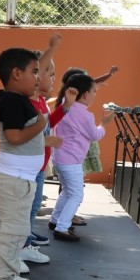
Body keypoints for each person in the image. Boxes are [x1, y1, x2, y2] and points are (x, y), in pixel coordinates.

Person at [0, 47, 46, 280]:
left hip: (17, 178)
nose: (38, 77)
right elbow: (13, 137)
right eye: (34, 71)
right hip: (15, 180)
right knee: (14, 232)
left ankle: (4, 274)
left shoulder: (16, 99)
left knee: (9, 230)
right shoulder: (11, 101)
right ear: (16, 73)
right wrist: (40, 125)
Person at [19, 33, 75, 264]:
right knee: (26, 208)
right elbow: (24, 137)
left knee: (33, 207)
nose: (54, 79)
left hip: (40, 165)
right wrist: (45, 142)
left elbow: (48, 123)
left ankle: (26, 237)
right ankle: (22, 244)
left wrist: (66, 107)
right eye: (50, 74)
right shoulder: (28, 103)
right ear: (36, 76)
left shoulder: (41, 102)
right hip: (30, 166)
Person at [49, 73, 115, 241]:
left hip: (59, 158)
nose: (94, 94)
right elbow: (95, 135)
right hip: (72, 161)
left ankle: (55, 220)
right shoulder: (85, 115)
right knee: (76, 195)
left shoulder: (65, 105)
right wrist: (104, 124)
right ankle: (62, 227)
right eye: (94, 91)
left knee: (67, 191)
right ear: (86, 94)